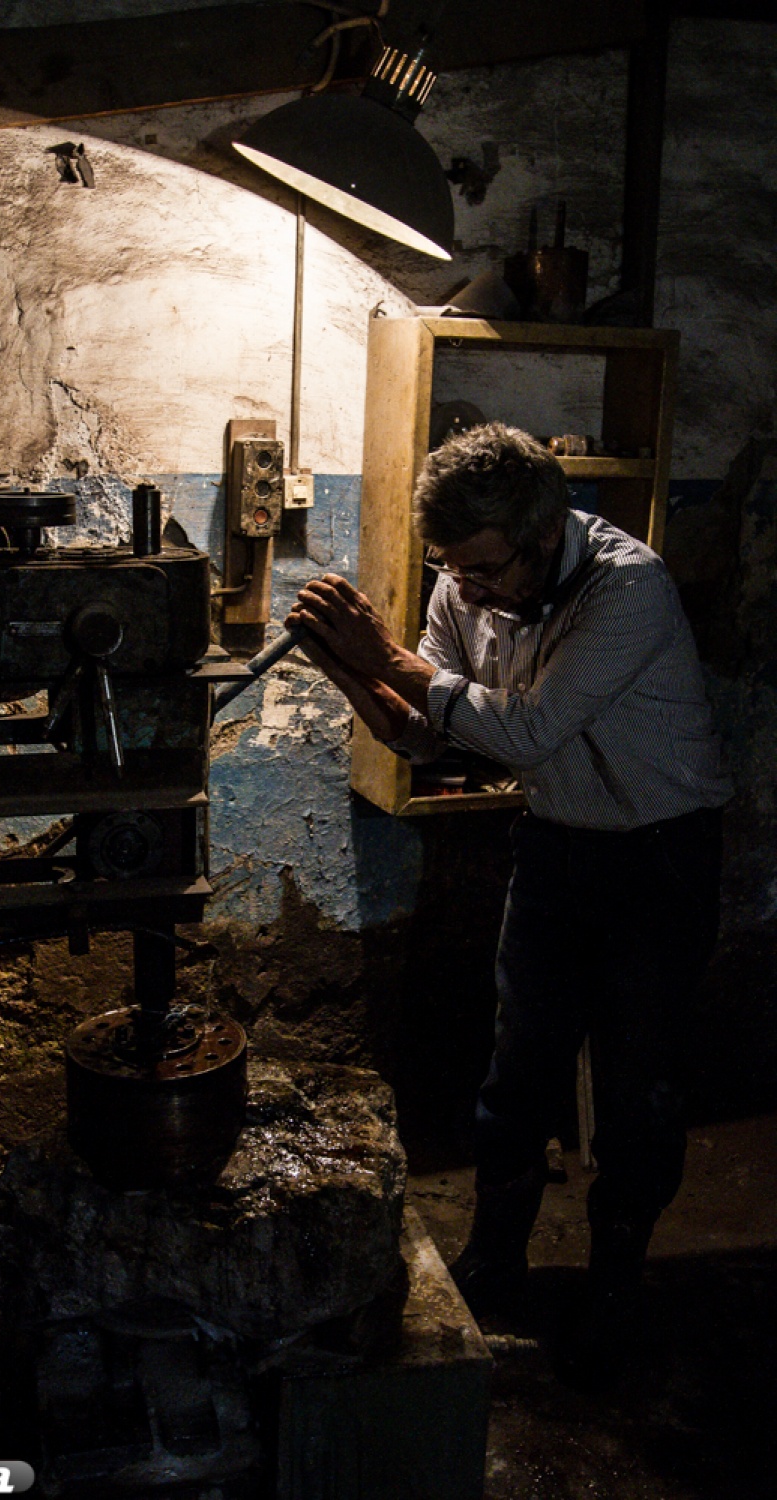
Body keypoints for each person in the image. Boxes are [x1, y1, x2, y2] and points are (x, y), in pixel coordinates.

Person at [288, 422, 732, 1383]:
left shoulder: (627, 586)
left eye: (485, 569)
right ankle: (495, 1260)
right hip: (557, 845)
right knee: (518, 1068)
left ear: (541, 536)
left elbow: (523, 733)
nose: (467, 589)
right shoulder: (464, 582)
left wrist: (384, 653)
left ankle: (615, 1285)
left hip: (659, 857)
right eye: (453, 568)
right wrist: (347, 668)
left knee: (637, 1084)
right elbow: (430, 735)